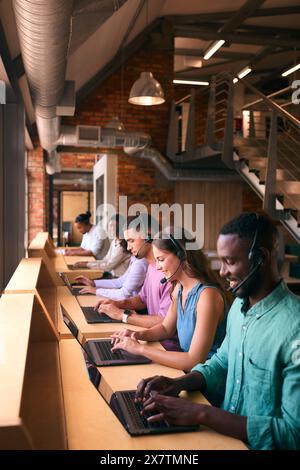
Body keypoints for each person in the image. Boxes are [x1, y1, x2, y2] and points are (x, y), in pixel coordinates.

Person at [135, 213, 300, 450]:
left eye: (230, 262)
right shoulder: (239, 309)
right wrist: (179, 383)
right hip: (222, 439)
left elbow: (293, 434)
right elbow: (222, 363)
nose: (221, 272)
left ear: (261, 258)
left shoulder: (294, 328)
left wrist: (202, 413)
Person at [110, 227, 229, 371]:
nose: (158, 267)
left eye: (160, 260)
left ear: (182, 255)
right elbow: (166, 328)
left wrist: (140, 349)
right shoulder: (178, 287)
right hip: (186, 371)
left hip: (206, 380)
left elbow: (194, 360)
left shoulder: (207, 296)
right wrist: (136, 335)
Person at [94, 214, 179, 351]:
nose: (128, 247)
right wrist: (117, 304)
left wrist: (122, 315)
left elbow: (163, 322)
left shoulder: (169, 272)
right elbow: (142, 299)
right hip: (151, 339)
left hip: (166, 346)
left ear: (149, 237)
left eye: (132, 241)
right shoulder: (152, 266)